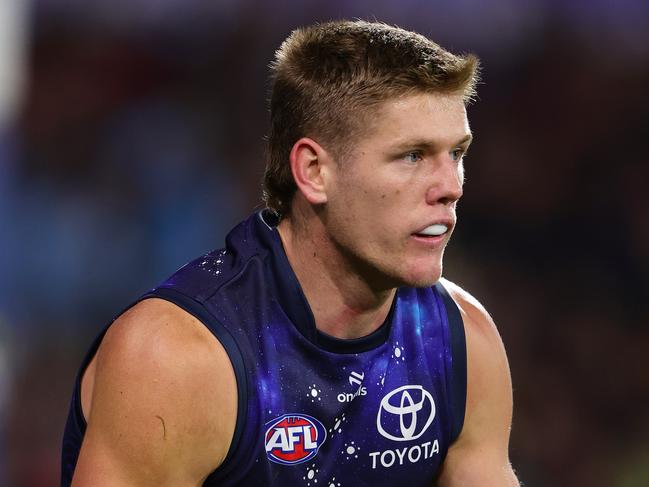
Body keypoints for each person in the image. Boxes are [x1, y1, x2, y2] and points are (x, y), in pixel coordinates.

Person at [62, 20, 519, 486]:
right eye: (413, 156)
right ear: (314, 170)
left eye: (457, 153)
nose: (450, 187)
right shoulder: (177, 359)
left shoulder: (461, 341)